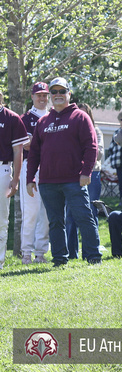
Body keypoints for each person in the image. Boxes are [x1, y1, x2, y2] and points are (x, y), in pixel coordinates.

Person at [26, 77, 101, 266]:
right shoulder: (43, 121)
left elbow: (91, 147)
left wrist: (86, 172)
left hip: (74, 180)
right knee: (55, 222)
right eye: (54, 92)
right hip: (48, 182)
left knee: (83, 217)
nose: (57, 95)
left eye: (61, 91)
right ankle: (60, 259)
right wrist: (29, 179)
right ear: (50, 95)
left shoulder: (80, 117)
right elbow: (34, 153)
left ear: (69, 93)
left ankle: (93, 256)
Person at [65, 103, 103, 259]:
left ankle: (90, 252)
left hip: (92, 174)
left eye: (85, 113)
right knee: (70, 215)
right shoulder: (68, 130)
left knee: (90, 213)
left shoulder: (96, 131)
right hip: (72, 176)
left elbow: (98, 153)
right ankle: (71, 254)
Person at [20, 82, 51, 265]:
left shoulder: (53, 117)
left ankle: (40, 253)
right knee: (30, 212)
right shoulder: (24, 119)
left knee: (46, 213)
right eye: (38, 95)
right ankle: (26, 253)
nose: (42, 98)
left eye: (44, 95)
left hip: (49, 168)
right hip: (29, 166)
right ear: (32, 97)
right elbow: (25, 145)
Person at [0, 93, 28, 270]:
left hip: (2, 169)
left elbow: (19, 152)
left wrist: (16, 179)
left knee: (1, 219)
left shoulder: (11, 118)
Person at [107, 111, 122, 199]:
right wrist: (112, 159)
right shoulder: (116, 133)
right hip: (119, 162)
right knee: (121, 183)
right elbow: (111, 148)